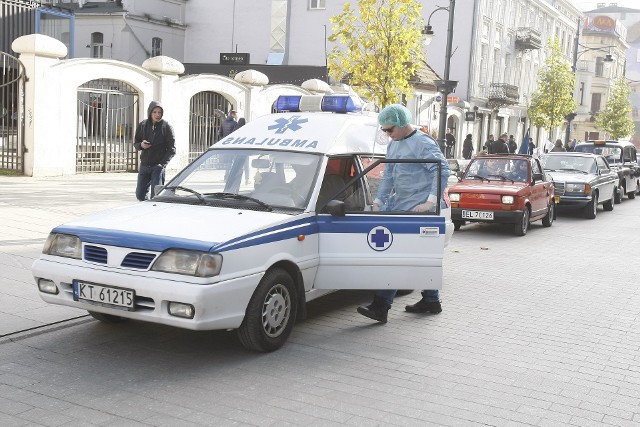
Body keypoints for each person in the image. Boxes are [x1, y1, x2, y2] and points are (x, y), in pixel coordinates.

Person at [356, 104, 449, 324]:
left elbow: (441, 169)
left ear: (401, 123)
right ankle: (431, 300)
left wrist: (430, 202)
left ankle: (381, 306)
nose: (387, 134)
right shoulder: (394, 144)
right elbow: (388, 174)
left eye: (389, 130)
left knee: (399, 257)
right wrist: (378, 200)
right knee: (421, 258)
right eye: (384, 130)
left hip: (420, 211)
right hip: (402, 208)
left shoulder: (423, 143)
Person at [133, 101, 176, 201]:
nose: (157, 115)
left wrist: (161, 165)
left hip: (158, 167)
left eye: (159, 112)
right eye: (154, 112)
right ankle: (146, 209)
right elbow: (136, 143)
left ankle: (152, 212)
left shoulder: (166, 127)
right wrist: (141, 145)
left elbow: (172, 149)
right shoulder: (143, 125)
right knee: (140, 194)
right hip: (144, 166)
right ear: (150, 113)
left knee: (156, 196)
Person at [236, 118, 250, 184]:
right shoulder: (246, 129)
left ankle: (236, 179)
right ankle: (247, 179)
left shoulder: (235, 129)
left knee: (237, 166)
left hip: (237, 150)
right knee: (246, 165)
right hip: (245, 150)